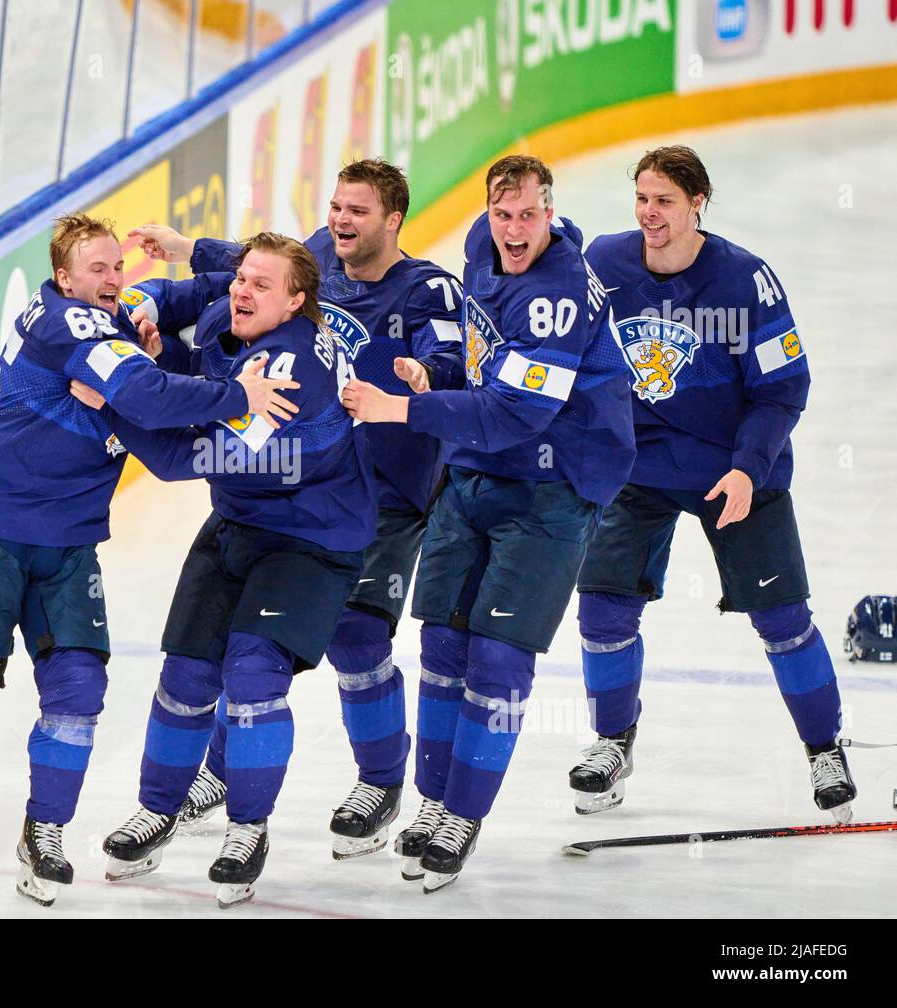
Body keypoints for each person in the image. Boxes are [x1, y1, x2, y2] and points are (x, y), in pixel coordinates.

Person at [0, 213, 298, 908]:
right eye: (97, 270)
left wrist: (147, 351)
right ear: (63, 279)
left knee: (79, 688)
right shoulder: (69, 324)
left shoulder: (110, 331)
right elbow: (145, 397)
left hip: (65, 539)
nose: (114, 281)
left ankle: (45, 835)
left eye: (119, 268)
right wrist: (242, 394)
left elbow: (155, 404)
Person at [129, 159, 464, 860]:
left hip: (383, 494)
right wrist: (176, 268)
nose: (342, 221)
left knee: (357, 644)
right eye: (337, 207)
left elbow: (449, 362)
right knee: (247, 653)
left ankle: (382, 781)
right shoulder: (310, 262)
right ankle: (224, 774)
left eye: (359, 212)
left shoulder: (426, 287)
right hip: (301, 491)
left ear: (393, 219)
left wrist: (425, 378)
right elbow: (242, 270)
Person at [341, 155, 635, 892]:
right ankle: (437, 801)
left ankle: (462, 817)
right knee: (442, 643)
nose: (512, 230)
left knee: (498, 661)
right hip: (474, 474)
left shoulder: (560, 294)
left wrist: (400, 408)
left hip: (551, 488)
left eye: (529, 216)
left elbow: (515, 412)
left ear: (551, 213)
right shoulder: (482, 242)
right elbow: (481, 363)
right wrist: (432, 378)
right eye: (503, 215)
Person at [88, 233, 376, 907]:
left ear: (298, 301)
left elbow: (179, 459)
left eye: (260, 285)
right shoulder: (243, 319)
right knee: (185, 672)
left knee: (251, 675)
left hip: (312, 538)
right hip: (241, 524)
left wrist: (115, 399)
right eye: (241, 278)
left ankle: (248, 829)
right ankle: (158, 810)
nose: (241, 291)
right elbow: (210, 379)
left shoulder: (290, 373)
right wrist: (164, 357)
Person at [568, 146, 855, 820]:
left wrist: (748, 468)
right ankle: (612, 743)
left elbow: (785, 389)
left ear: (698, 202)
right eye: (641, 198)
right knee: (603, 608)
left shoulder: (744, 281)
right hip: (639, 468)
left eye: (664, 200)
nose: (649, 213)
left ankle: (824, 746)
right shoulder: (605, 263)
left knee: (782, 618)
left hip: (734, 469)